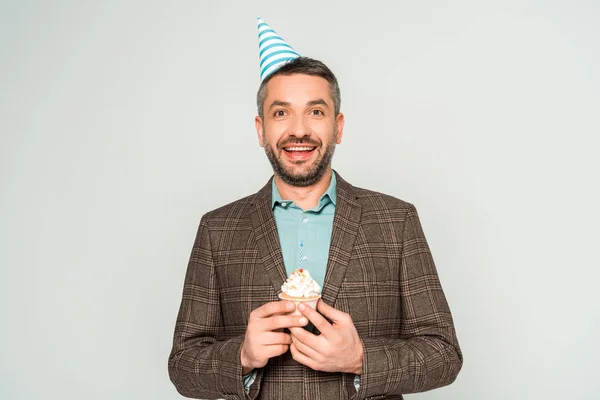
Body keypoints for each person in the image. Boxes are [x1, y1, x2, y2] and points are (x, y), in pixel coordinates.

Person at [168, 18, 463, 400]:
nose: (299, 129)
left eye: (316, 112)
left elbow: (444, 353)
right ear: (261, 130)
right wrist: (240, 356)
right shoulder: (218, 229)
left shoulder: (396, 221)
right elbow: (183, 366)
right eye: (281, 113)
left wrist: (361, 358)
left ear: (338, 127)